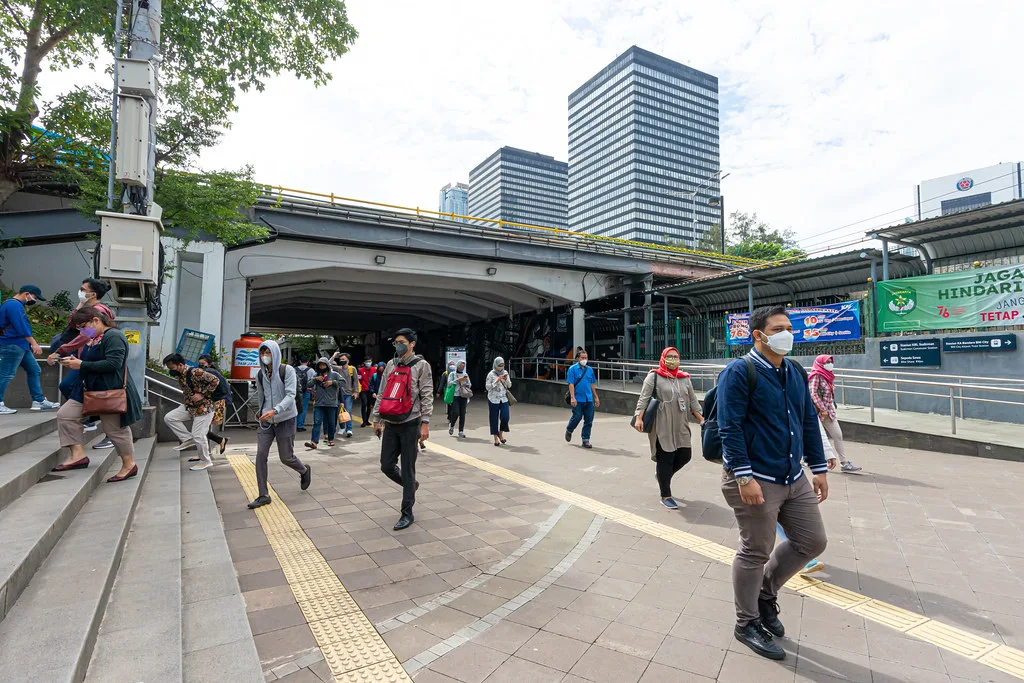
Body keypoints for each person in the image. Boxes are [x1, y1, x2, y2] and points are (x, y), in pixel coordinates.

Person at [717, 305, 829, 662]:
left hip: (793, 476)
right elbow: (729, 428)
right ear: (759, 335)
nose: (788, 334)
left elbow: (808, 419)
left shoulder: (793, 370)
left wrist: (819, 467)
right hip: (754, 479)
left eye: (789, 327)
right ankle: (746, 622)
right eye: (779, 328)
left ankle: (766, 594)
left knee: (812, 540)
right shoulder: (739, 371)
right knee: (755, 551)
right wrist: (744, 476)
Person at [53, 306, 141, 482]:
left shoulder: (114, 336)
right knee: (66, 415)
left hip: (110, 390)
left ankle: (129, 464)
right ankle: (77, 455)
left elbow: (113, 364)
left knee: (115, 429)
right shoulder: (95, 338)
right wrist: (75, 362)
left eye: (83, 326)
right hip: (89, 389)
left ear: (96, 320)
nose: (82, 331)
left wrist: (81, 365)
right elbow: (89, 360)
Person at [371, 328, 432, 531]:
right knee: (386, 465)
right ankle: (411, 486)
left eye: (402, 341)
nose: (398, 345)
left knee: (407, 468)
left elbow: (426, 395)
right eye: (396, 342)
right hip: (391, 422)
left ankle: (407, 513)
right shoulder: (390, 364)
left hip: (411, 423)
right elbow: (382, 391)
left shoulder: (422, 366)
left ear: (412, 344)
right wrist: (376, 418)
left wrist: (425, 422)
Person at [633, 347, 704, 509]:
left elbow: (693, 401)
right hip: (662, 423)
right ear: (663, 358)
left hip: (680, 423)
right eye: (669, 356)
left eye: (675, 357)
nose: (673, 359)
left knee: (685, 454)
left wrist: (701, 418)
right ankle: (665, 495)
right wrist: (639, 417)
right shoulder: (654, 376)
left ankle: (663, 477)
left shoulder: (685, 378)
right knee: (666, 457)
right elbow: (643, 399)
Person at [48, 279, 114, 443]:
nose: (80, 291)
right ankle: (90, 419)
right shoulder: (91, 309)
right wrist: (80, 304)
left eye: (83, 289)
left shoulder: (98, 312)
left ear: (93, 294)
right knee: (71, 388)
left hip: (92, 359)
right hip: (86, 359)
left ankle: (92, 419)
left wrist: (60, 351)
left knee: (68, 386)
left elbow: (84, 336)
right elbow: (72, 323)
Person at [248, 339, 311, 509]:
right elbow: (262, 397)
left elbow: (290, 395)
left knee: (286, 457)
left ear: (275, 353)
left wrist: (275, 410)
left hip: (286, 419)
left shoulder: (287, 370)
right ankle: (263, 494)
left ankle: (304, 470)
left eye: (268, 353)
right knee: (261, 455)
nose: (265, 356)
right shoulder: (260, 374)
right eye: (262, 353)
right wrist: (261, 413)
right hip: (267, 422)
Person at [779, 418, 840, 575]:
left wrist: (824, 453)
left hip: (790, 466)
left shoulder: (799, 392)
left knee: (778, 514)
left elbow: (811, 421)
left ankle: (803, 556)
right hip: (757, 468)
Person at [0, 285, 60, 415]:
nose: (34, 300)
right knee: (6, 374)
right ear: (27, 294)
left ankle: (38, 400)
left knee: (34, 370)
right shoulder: (14, 306)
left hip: (20, 345)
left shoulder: (14, 305)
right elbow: (20, 326)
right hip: (13, 344)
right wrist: (34, 343)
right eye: (35, 297)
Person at [163, 353, 220, 471]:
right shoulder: (180, 374)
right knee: (170, 418)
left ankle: (205, 461)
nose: (171, 371)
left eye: (172, 368)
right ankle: (187, 438)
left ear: (180, 365)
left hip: (204, 408)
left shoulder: (195, 372)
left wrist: (202, 393)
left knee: (198, 435)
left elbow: (215, 380)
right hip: (190, 407)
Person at [808, 354, 861, 473]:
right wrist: (822, 409)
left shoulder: (828, 376)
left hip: (829, 411)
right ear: (820, 363)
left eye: (830, 362)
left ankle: (844, 463)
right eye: (827, 362)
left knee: (837, 435)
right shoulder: (816, 375)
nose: (830, 364)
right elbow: (813, 394)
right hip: (817, 412)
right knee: (812, 436)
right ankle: (804, 458)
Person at [191, 354, 231, 461]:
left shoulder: (210, 373)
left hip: (215, 402)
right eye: (199, 364)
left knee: (202, 429)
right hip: (216, 401)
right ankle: (214, 445)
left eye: (203, 364)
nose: (200, 366)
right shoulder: (211, 372)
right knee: (203, 428)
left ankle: (206, 451)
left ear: (208, 364)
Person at [565, 350, 600, 449]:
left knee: (589, 420)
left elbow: (592, 384)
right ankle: (569, 429)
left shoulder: (589, 370)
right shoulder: (572, 369)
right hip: (577, 398)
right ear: (578, 358)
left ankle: (585, 439)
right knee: (577, 417)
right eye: (582, 358)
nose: (584, 360)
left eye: (586, 358)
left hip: (588, 399)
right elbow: (571, 384)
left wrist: (596, 397)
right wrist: (572, 397)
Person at [305, 357, 341, 449]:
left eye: (324, 365)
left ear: (327, 366)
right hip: (318, 403)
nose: (322, 367)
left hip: (331, 403)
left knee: (331, 423)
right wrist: (315, 379)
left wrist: (332, 382)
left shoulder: (334, 374)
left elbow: (343, 383)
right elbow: (308, 384)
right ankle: (314, 442)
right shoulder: (316, 375)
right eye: (320, 365)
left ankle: (331, 439)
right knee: (317, 422)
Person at [331, 352, 359, 438]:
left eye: (344, 359)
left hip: (348, 394)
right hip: (339, 394)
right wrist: (334, 356)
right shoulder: (338, 369)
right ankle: (342, 427)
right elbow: (328, 364)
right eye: (341, 359)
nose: (342, 361)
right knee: (340, 412)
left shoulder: (352, 369)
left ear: (348, 360)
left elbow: (355, 381)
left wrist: (356, 392)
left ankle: (349, 429)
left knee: (348, 411)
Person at [485, 357, 512, 447]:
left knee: (505, 417)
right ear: (495, 365)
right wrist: (497, 380)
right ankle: (496, 438)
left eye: (502, 365)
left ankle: (501, 433)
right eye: (499, 365)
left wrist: (506, 379)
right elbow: (487, 387)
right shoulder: (491, 374)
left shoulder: (505, 372)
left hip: (503, 398)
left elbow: (509, 385)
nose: (501, 367)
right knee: (494, 418)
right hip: (493, 399)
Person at [447, 360, 472, 437]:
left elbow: (469, 385)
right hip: (455, 396)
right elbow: (449, 383)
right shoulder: (452, 374)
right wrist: (457, 380)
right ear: (457, 366)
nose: (461, 367)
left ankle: (461, 431)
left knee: (462, 414)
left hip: (463, 395)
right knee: (456, 412)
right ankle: (452, 425)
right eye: (460, 366)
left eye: (463, 366)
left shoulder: (465, 374)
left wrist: (466, 381)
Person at [295, 358, 315, 432]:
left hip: (296, 392)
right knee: (304, 408)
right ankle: (300, 425)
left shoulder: (294, 369)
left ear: (300, 361)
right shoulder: (311, 370)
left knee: (296, 407)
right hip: (307, 391)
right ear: (308, 362)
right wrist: (313, 392)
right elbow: (313, 382)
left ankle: (295, 424)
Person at [358, 357, 375, 427]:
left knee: (369, 405)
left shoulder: (374, 370)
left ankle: (367, 420)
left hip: (371, 390)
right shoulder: (361, 370)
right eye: (367, 361)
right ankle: (364, 421)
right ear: (364, 362)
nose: (369, 363)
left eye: (370, 361)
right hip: (363, 390)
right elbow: (358, 380)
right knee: (364, 404)